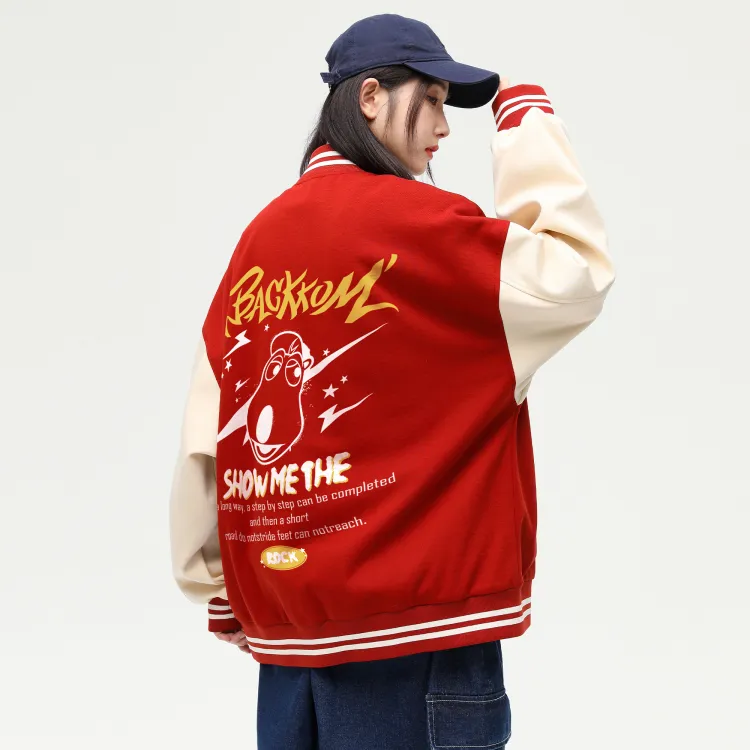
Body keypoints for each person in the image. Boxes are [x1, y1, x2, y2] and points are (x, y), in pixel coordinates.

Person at [168, 13, 615, 750]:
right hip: (421, 646)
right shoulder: (429, 227)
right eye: (431, 99)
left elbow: (209, 428)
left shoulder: (258, 241)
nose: (444, 126)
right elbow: (573, 276)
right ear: (370, 97)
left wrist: (220, 590)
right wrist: (525, 122)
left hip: (288, 652)